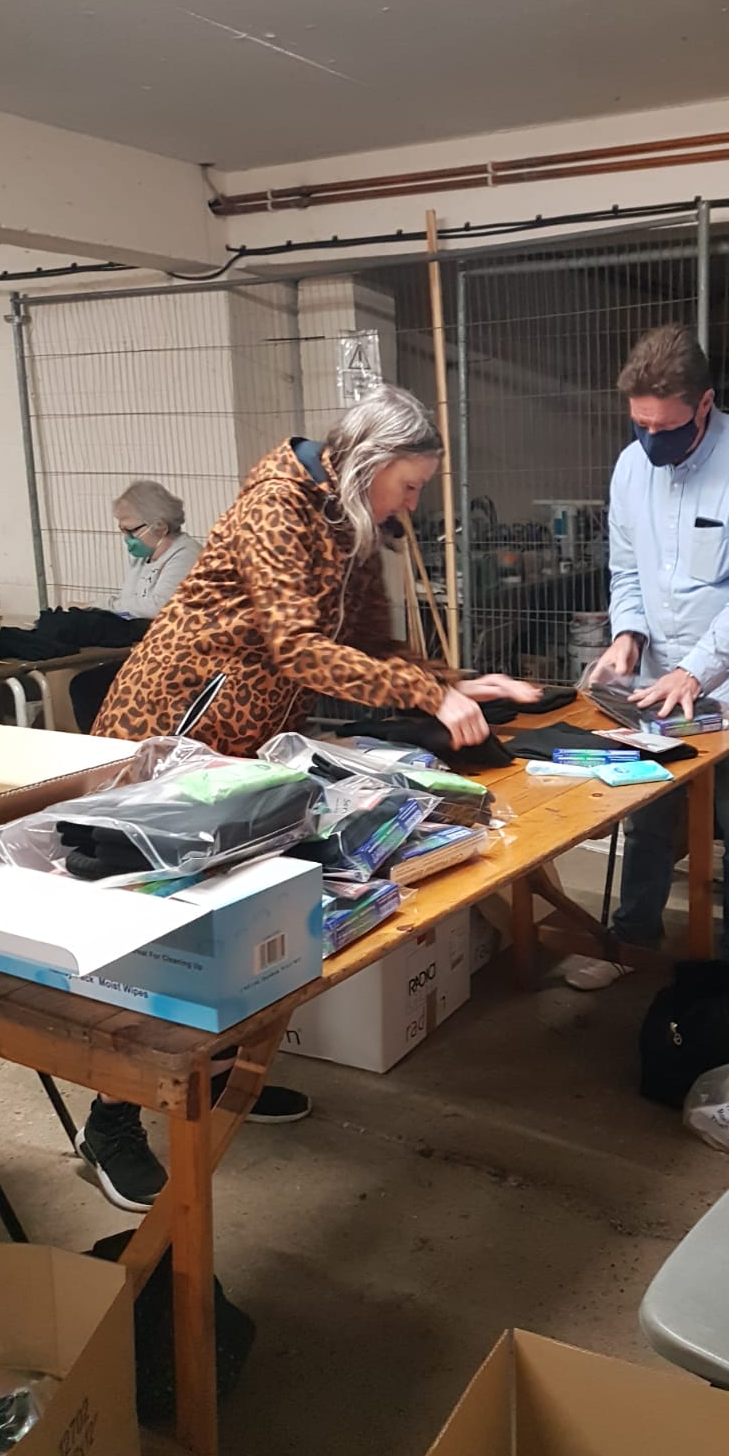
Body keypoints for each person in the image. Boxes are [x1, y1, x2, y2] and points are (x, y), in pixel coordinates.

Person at [78, 385, 536, 1214]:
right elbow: (297, 648)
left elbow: (366, 646)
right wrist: (427, 699)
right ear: (367, 464)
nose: (414, 501)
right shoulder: (277, 509)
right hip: (177, 727)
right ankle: (110, 1122)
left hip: (242, 746)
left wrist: (458, 681)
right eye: (410, 484)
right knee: (166, 929)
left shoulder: (351, 523)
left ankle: (222, 1083)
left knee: (240, 921)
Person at [564, 323, 729, 999]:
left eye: (666, 427)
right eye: (639, 425)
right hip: (655, 677)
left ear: (704, 405)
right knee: (647, 812)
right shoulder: (631, 466)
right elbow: (627, 568)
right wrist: (628, 635)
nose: (651, 440)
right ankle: (633, 939)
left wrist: (698, 669)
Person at [68, 482, 201, 731]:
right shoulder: (143, 557)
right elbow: (129, 604)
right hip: (150, 652)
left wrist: (98, 605)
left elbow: (154, 608)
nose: (126, 539)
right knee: (87, 685)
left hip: (183, 657)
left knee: (88, 687)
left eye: (130, 531)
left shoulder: (186, 555)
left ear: (159, 526)